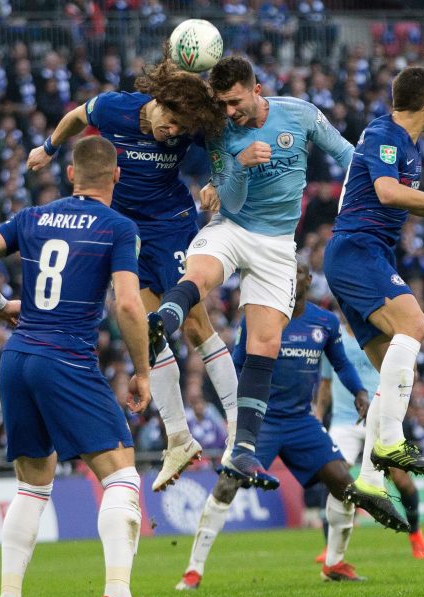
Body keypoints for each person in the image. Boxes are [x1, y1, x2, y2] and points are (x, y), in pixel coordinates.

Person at [0, 136, 169, 597]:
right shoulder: (118, 227)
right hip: (66, 357)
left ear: (71, 174)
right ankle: (118, 595)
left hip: (19, 356)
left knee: (32, 484)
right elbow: (126, 303)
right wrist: (142, 371)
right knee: (121, 474)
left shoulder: (32, 216)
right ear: (116, 177)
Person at [26, 60, 236, 493]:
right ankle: (178, 437)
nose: (174, 132)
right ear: (157, 103)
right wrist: (48, 147)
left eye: (182, 127)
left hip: (173, 224)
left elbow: (224, 144)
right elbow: (76, 117)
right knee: (145, 328)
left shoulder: (191, 127)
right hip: (126, 232)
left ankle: (240, 429)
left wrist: (216, 179)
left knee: (195, 323)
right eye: (171, 121)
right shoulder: (114, 108)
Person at [150, 55, 354, 490]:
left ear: (256, 88)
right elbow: (232, 202)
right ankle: (162, 322)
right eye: (222, 103)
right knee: (199, 273)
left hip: (277, 244)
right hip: (234, 227)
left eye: (235, 101)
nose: (229, 112)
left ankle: (243, 450)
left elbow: (347, 154)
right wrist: (240, 163)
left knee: (266, 341)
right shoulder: (223, 133)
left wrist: (367, 197)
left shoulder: (299, 114)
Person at [175, 259, 409, 591]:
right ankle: (193, 570)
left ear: (308, 280)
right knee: (227, 485)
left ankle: (334, 563)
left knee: (343, 484)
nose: (293, 277)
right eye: (287, 272)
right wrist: (235, 413)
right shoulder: (259, 318)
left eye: (298, 272)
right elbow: (237, 365)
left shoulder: (325, 322)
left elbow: (341, 363)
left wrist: (359, 392)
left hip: (302, 422)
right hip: (262, 421)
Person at [322, 66, 424, 505]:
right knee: (414, 325)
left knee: (391, 373)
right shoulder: (383, 134)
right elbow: (388, 193)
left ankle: (370, 481)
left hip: (367, 255)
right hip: (357, 251)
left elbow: (408, 201)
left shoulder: (408, 146)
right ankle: (390, 441)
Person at [316, 319, 424, 559]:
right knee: (334, 478)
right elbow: (326, 383)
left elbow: (401, 373)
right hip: (344, 421)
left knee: (401, 480)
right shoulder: (335, 341)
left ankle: (415, 533)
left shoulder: (378, 337)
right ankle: (331, 546)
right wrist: (317, 415)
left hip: (377, 416)